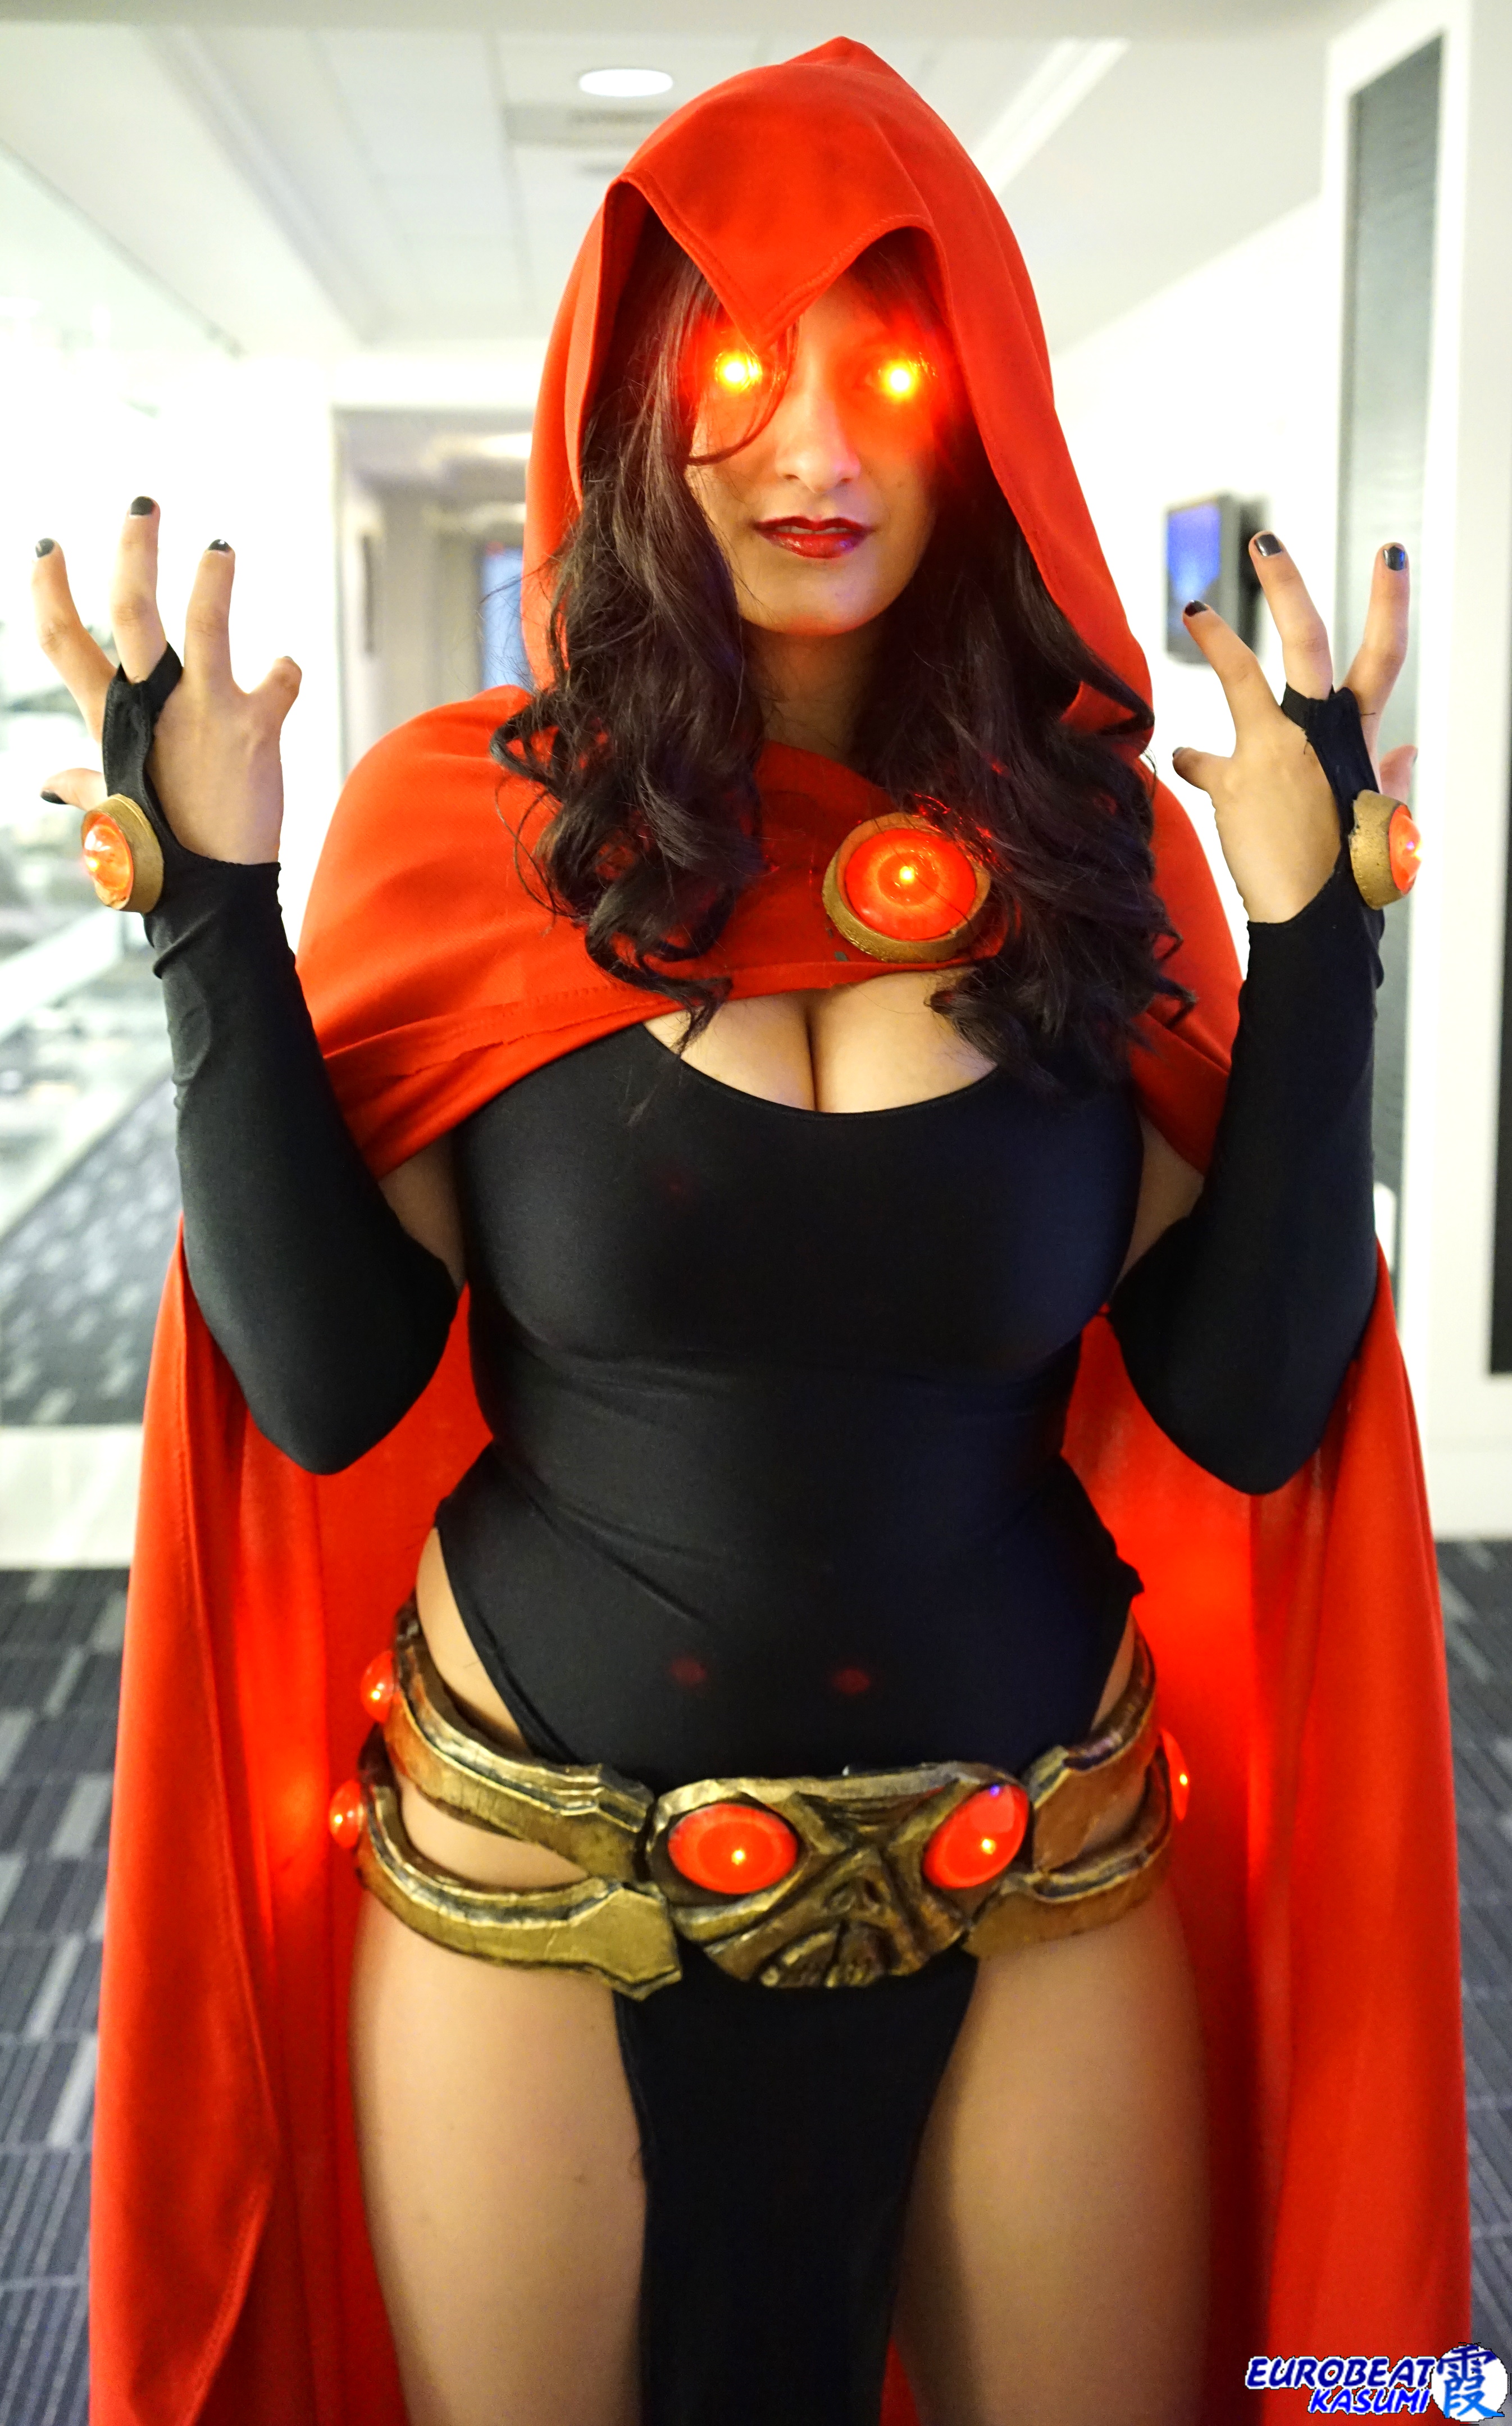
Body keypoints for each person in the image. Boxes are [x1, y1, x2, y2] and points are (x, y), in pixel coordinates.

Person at [33, 39, 1467, 2426]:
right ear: (631, 415)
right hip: (535, 1891)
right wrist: (208, 919)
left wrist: (1323, 949)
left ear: (975, 408)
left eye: (882, 371)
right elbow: (328, 1388)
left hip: (1035, 1871)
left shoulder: (1095, 851)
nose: (813, 449)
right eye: (733, 374)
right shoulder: (468, 828)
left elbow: (1244, 1406)